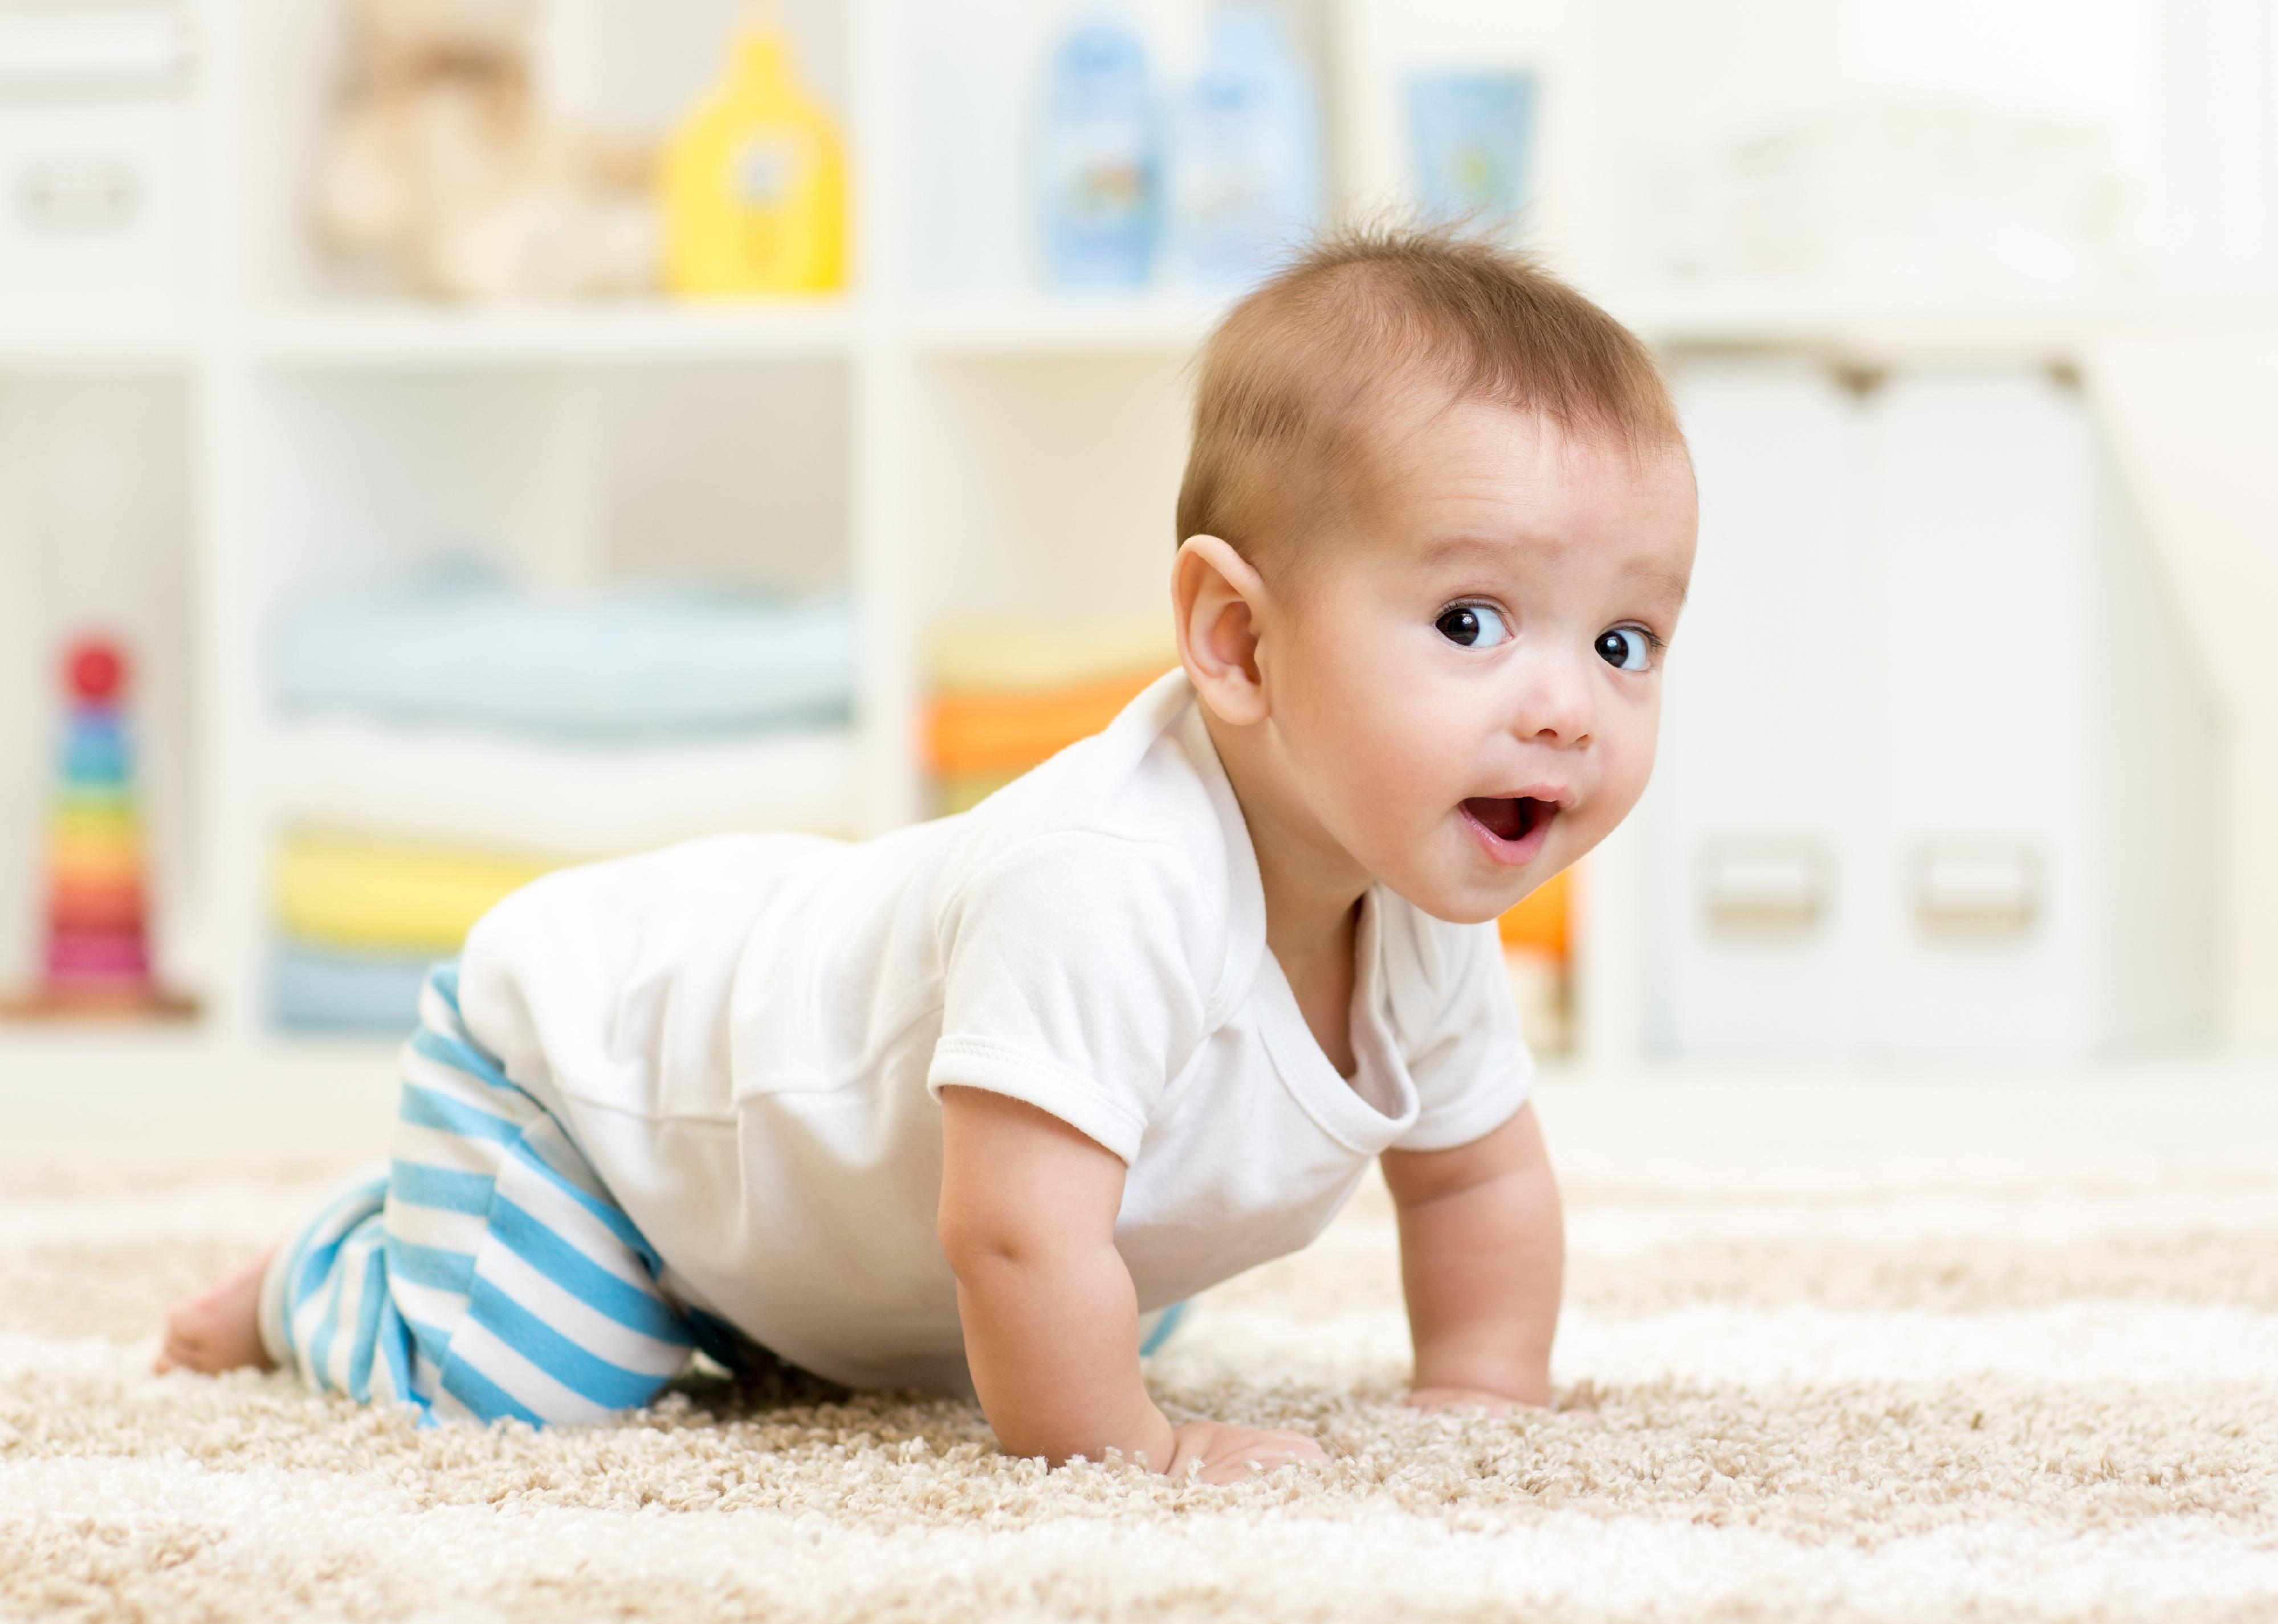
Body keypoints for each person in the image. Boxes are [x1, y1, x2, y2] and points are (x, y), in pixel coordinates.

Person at [158, 227, 1698, 1486]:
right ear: (1238, 639)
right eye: (1473, 622)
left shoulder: (1414, 901)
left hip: (832, 1239)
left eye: (1623, 640)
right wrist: (1133, 1455)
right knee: (533, 1382)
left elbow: (1477, 1176)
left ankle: (760, 1313)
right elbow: (1010, 1231)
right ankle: (334, 1271)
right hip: (599, 1094)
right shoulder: (1104, 877)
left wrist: (1486, 1392)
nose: (1567, 708)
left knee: (1094, 1296)